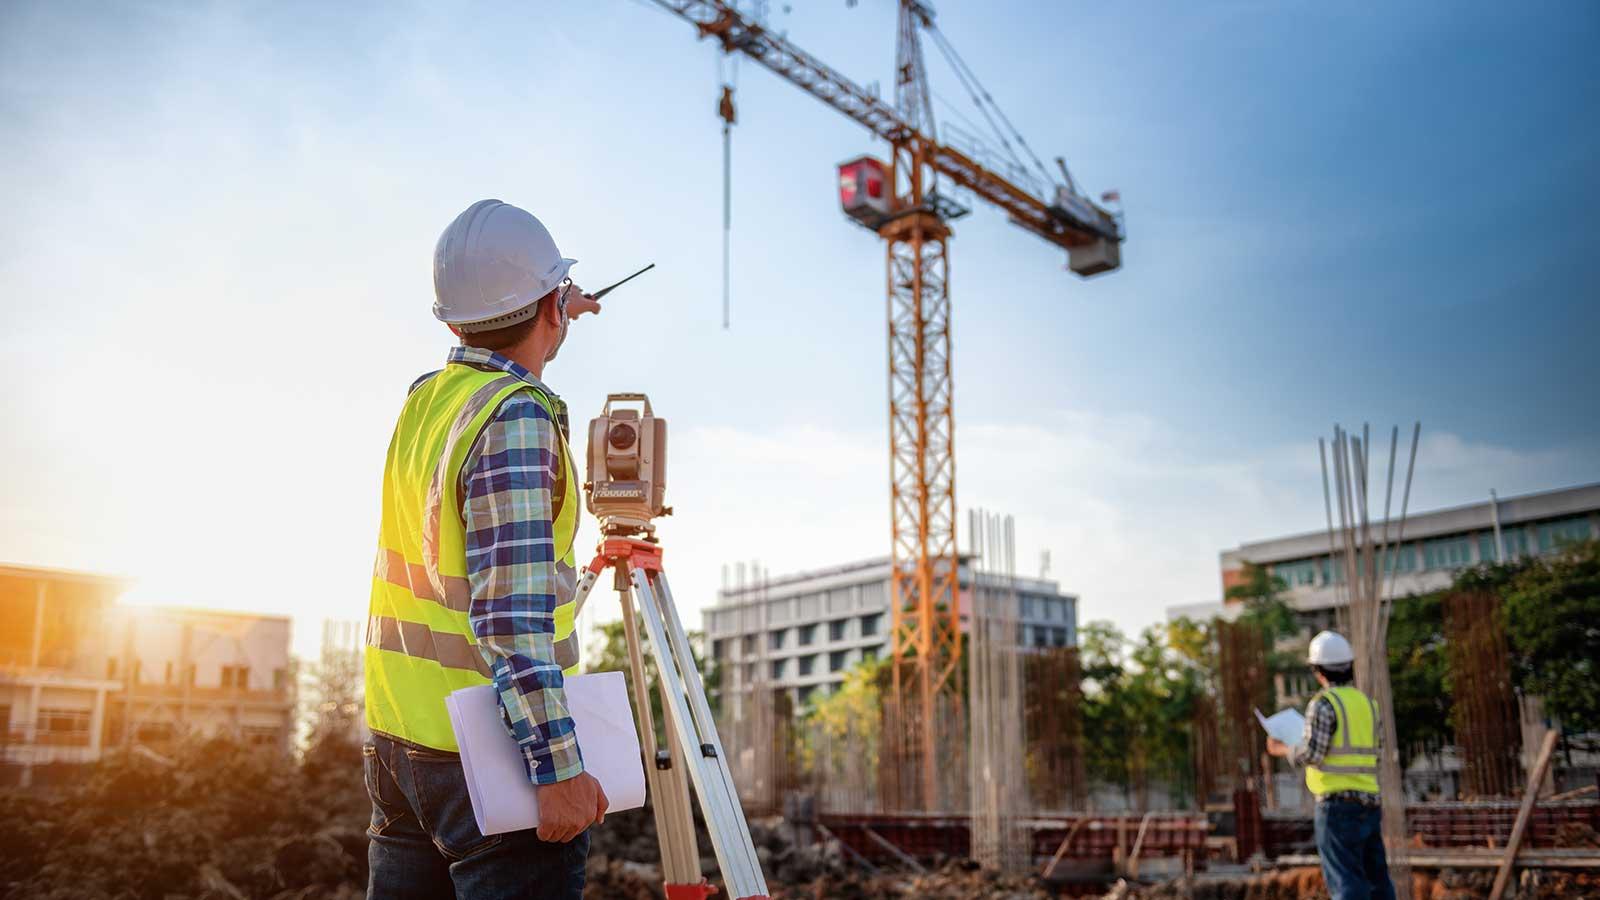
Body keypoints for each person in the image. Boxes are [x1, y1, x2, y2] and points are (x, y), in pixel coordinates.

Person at [363, 200, 607, 899]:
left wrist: (553, 308)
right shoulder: (517, 417)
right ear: (550, 308)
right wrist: (557, 771)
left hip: (397, 745)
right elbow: (509, 618)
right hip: (489, 764)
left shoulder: (429, 401)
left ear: (448, 319)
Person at [1267, 630, 1396, 900]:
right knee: (1378, 881)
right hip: (1370, 803)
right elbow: (1378, 750)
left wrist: (1282, 749)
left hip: (1337, 806)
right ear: (1350, 666)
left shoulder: (1324, 704)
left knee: (1346, 882)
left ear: (1317, 670)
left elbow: (1313, 753)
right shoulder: (1368, 704)